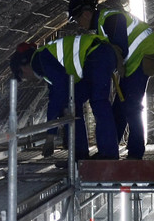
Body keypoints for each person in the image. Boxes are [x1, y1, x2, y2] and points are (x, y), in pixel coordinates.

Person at [69, 0, 154, 160]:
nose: (79, 24)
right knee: (120, 107)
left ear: (86, 14)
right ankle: (110, 149)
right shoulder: (102, 23)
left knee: (131, 106)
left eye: (78, 19)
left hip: (141, 58)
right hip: (134, 61)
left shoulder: (111, 19)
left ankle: (135, 153)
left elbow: (120, 49)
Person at [8, 30, 120, 161]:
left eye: (23, 76)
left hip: (97, 55)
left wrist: (50, 136)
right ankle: (80, 156)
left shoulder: (40, 60)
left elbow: (58, 92)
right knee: (70, 106)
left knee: (99, 102)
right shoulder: (44, 63)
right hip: (95, 58)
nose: (27, 79)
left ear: (24, 67)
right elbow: (58, 95)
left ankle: (109, 155)